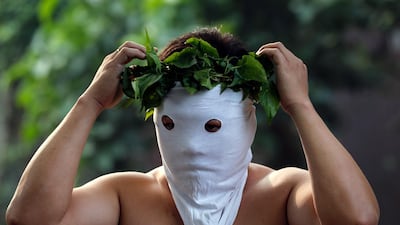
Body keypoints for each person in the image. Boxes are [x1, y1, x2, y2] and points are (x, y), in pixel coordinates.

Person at [6, 27, 379, 225]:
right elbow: (29, 218)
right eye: (170, 123)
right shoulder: (125, 197)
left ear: (248, 115)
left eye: (213, 125)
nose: (193, 146)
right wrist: (89, 103)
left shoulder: (283, 194)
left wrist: (300, 105)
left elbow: (356, 219)